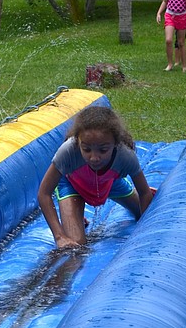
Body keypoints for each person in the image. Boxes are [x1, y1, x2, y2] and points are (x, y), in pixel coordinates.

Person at [37, 106, 155, 249]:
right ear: (77, 141)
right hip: (72, 185)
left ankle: (77, 217)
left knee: (143, 211)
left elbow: (144, 193)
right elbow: (44, 193)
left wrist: (144, 230)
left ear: (115, 144)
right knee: (75, 246)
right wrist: (60, 236)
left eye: (103, 150)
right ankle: (75, 213)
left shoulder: (125, 155)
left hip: (109, 182)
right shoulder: (68, 151)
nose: (94, 158)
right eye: (86, 149)